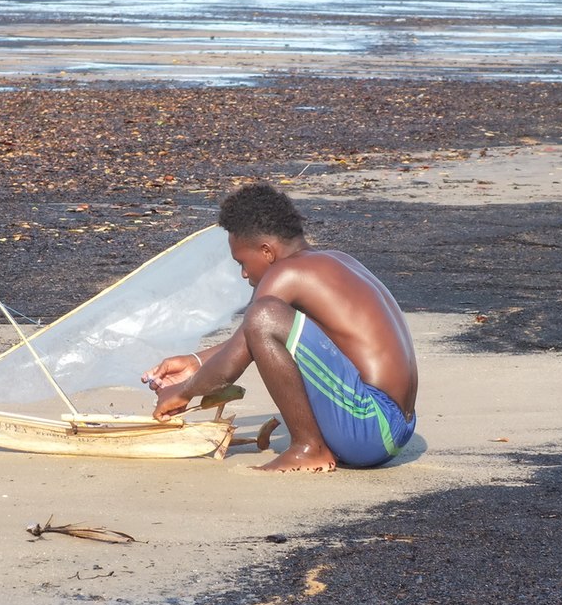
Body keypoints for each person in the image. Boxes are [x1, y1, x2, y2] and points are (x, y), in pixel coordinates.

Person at [143, 182, 418, 473]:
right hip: (397, 426)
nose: (245, 273)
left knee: (263, 314)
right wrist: (194, 362)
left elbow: (241, 351)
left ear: (267, 252)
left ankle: (308, 448)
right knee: (265, 319)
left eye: (242, 262)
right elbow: (248, 340)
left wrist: (183, 392)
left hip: (370, 428)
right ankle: (313, 444)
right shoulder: (332, 261)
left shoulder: (285, 273)